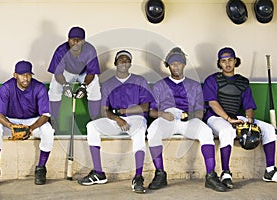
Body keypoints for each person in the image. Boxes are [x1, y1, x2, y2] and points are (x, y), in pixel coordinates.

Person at [147, 47, 226, 192]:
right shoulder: (159, 85)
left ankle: (211, 175)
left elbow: (200, 112)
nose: (176, 66)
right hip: (167, 118)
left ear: (184, 64)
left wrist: (188, 116)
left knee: (206, 132)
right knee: (152, 131)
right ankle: (160, 174)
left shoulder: (194, 85)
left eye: (179, 63)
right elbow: (151, 111)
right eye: (172, 64)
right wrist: (162, 115)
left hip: (188, 118)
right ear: (168, 66)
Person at [77, 50, 154, 193]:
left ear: (130, 64)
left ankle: (138, 176)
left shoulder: (139, 80)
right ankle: (99, 173)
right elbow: (104, 110)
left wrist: (123, 112)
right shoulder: (108, 84)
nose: (124, 62)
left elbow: (145, 106)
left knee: (139, 132)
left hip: (135, 119)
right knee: (91, 126)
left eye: (127, 60)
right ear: (115, 63)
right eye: (120, 59)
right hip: (115, 120)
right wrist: (117, 118)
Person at [203, 47, 277, 189]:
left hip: (237, 116)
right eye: (223, 61)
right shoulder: (212, 80)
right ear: (219, 63)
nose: (227, 63)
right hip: (215, 117)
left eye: (230, 60)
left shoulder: (243, 82)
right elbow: (212, 103)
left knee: (268, 128)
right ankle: (225, 173)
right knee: (227, 131)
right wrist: (228, 119)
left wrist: (249, 119)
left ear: (235, 61)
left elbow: (248, 105)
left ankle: (270, 171)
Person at [0, 61, 54, 187]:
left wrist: (30, 128)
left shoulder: (39, 87)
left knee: (48, 130)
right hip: (11, 121)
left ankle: (41, 169)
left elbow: (45, 115)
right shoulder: (6, 87)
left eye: (28, 74)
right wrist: (12, 127)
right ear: (15, 75)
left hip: (33, 122)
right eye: (22, 75)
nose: (25, 78)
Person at [47, 26, 101, 127]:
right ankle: (53, 119)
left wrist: (84, 86)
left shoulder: (90, 50)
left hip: (84, 73)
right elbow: (58, 73)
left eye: (79, 39)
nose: (75, 42)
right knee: (54, 87)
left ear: (83, 41)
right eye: (73, 39)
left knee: (95, 86)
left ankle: (95, 119)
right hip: (67, 72)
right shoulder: (61, 50)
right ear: (68, 40)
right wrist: (65, 85)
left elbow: (91, 73)